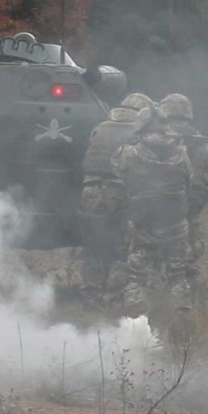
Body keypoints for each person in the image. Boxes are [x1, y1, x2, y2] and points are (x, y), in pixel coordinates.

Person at [111, 105, 192, 321]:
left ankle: (136, 323)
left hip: (142, 225)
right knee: (177, 274)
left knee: (137, 276)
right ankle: (181, 321)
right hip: (175, 223)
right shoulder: (181, 153)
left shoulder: (128, 154)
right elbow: (189, 181)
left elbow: (117, 174)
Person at [79, 105, 141, 307]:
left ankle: (91, 294)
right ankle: (114, 296)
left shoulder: (99, 129)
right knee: (122, 245)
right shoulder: (137, 132)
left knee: (94, 244)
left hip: (90, 190)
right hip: (119, 190)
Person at [158, 93, 208, 269]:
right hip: (190, 199)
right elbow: (207, 162)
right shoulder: (195, 135)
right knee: (189, 245)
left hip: (159, 197)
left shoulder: (157, 131)